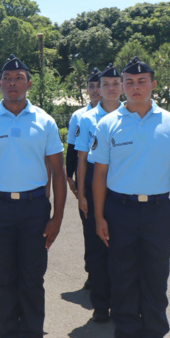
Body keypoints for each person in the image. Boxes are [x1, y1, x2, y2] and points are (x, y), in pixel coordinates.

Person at [90, 56, 170, 338]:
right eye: (129, 82)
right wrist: (99, 217)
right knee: (123, 279)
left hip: (160, 211)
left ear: (153, 84)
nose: (135, 87)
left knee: (155, 280)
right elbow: (99, 175)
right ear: (121, 86)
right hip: (120, 211)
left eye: (141, 81)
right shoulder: (108, 124)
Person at [0, 54, 66, 338]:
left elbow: (59, 172)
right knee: (5, 279)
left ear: (29, 82)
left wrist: (58, 217)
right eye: (8, 78)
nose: (13, 83)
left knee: (32, 279)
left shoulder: (44, 121)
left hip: (34, 207)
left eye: (19, 78)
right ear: (0, 84)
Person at [75, 64, 122, 324]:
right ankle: (101, 305)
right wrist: (82, 194)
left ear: (122, 87)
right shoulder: (86, 118)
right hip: (94, 182)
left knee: (121, 247)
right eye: (106, 84)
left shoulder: (132, 116)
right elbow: (82, 159)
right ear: (98, 89)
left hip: (121, 182)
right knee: (96, 246)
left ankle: (122, 302)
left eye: (116, 84)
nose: (111, 89)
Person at [66, 68, 101, 289]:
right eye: (91, 86)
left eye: (99, 85)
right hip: (86, 178)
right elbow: (72, 149)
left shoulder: (123, 112)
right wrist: (70, 177)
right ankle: (93, 271)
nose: (96, 90)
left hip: (114, 180)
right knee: (89, 228)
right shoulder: (79, 116)